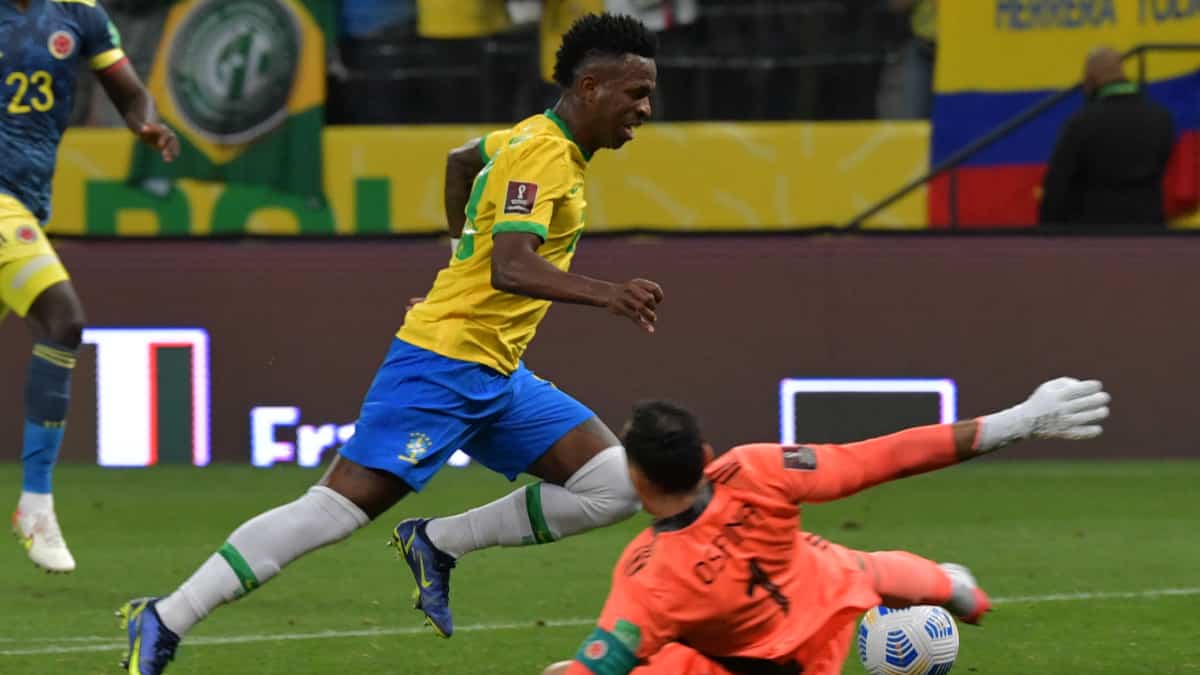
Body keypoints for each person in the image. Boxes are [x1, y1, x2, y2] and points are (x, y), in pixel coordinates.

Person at [118, 13, 660, 674]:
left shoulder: (530, 139)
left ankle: (438, 542)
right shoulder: (542, 154)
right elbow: (511, 266)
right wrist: (607, 293)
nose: (645, 109)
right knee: (331, 512)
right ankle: (167, 615)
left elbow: (461, 163)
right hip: (443, 364)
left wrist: (457, 260)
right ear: (592, 86)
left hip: (496, 372)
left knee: (614, 484)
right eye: (636, 93)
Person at [543, 377, 1111, 675]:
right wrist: (1019, 420)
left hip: (752, 660)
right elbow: (885, 457)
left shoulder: (648, 576)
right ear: (706, 455)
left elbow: (603, 662)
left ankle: (950, 588)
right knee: (875, 571)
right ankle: (955, 589)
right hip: (827, 589)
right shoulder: (756, 468)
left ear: (636, 479)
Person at [2, 0, 179, 574]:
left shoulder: (79, 14)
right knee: (63, 319)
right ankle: (36, 505)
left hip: (28, 200)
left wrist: (144, 122)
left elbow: (128, 91)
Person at [1039, 47, 1176, 228]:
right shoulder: (1161, 118)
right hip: (1149, 230)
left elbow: (1057, 186)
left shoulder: (1080, 124)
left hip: (1094, 234)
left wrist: (1047, 231)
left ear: (1090, 80)